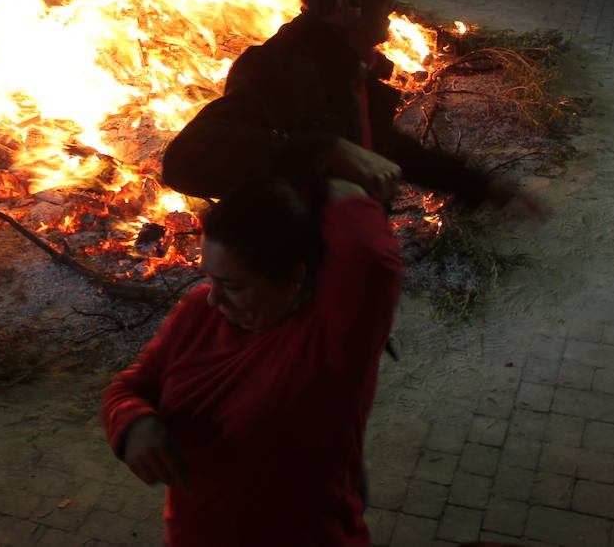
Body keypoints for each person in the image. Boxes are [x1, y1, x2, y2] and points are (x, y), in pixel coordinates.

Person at [161, 0, 544, 214]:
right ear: (350, 4)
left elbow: (380, 146)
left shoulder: (348, 63)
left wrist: (482, 187)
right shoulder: (275, 67)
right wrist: (328, 151)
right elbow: (184, 161)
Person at [101, 178, 402, 546]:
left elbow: (373, 261)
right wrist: (133, 423)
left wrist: (330, 177)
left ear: (293, 277)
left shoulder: (331, 343)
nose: (214, 299)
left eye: (235, 286)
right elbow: (130, 388)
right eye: (209, 278)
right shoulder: (199, 312)